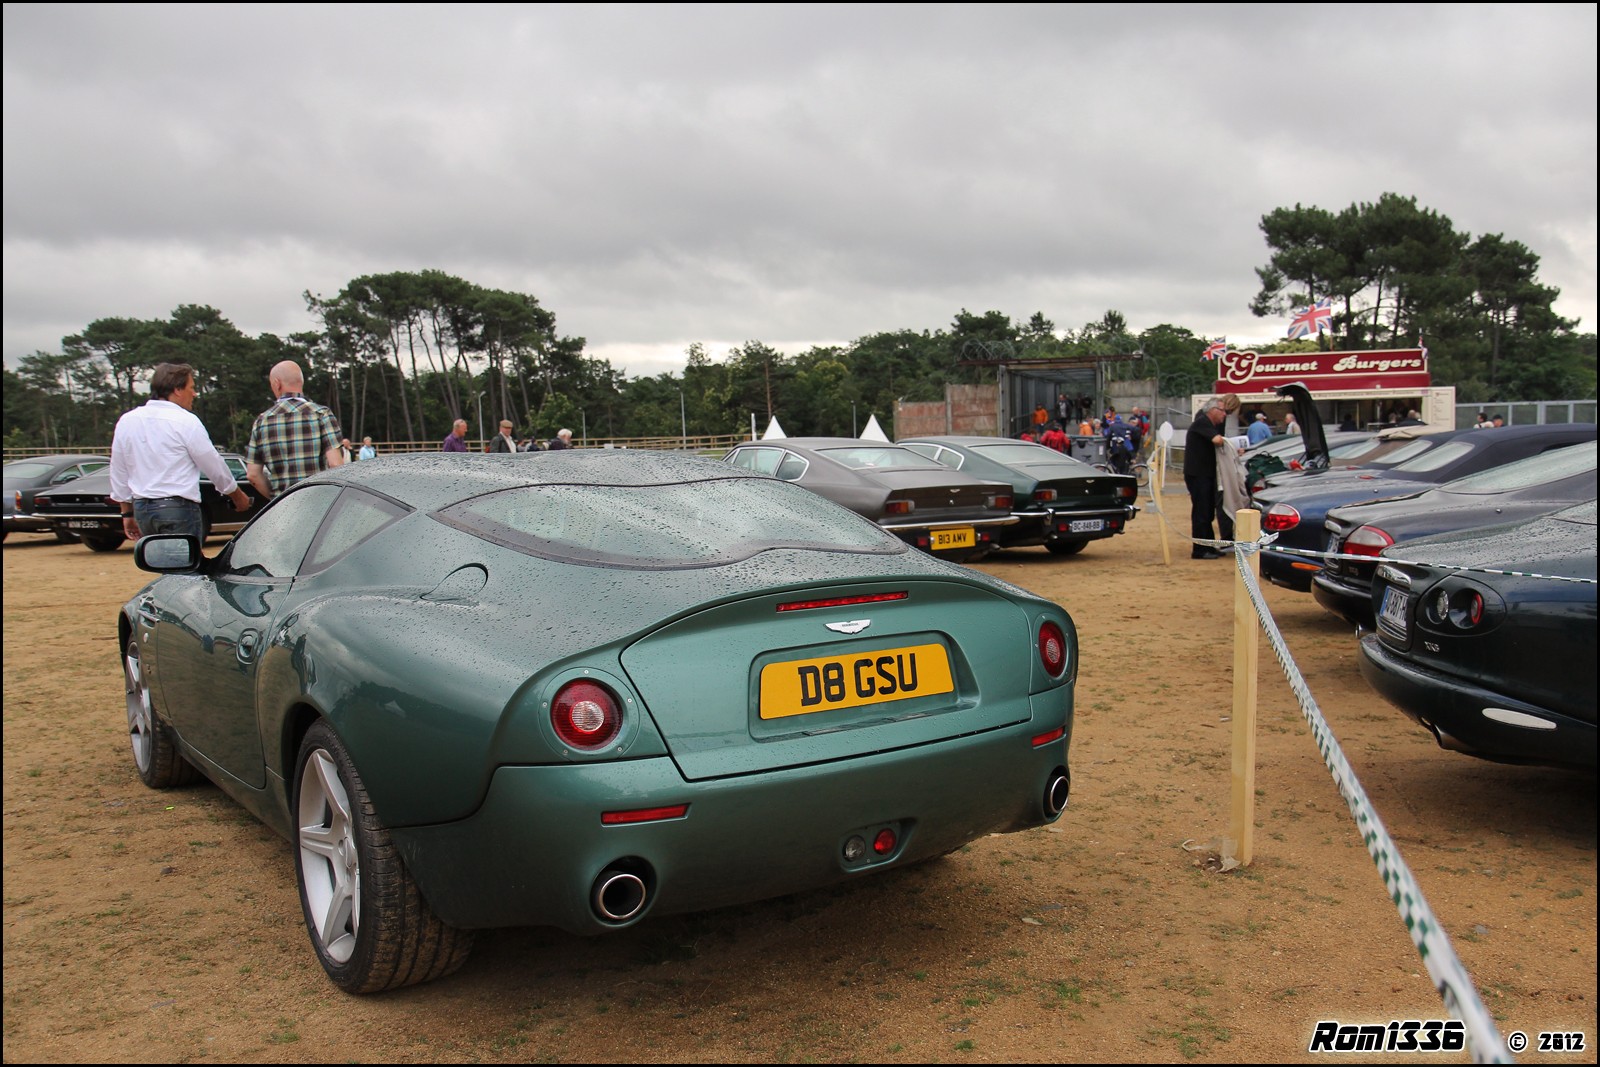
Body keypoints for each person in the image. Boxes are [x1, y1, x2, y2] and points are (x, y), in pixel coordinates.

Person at [109, 362, 251, 542]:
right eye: (191, 388)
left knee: (160, 565)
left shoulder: (127, 421)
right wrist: (236, 495)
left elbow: (119, 470)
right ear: (177, 389)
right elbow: (212, 463)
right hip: (178, 509)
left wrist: (127, 513)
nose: (194, 394)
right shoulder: (185, 421)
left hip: (143, 509)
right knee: (187, 568)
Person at [245, 360, 345, 498]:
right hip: (319, 502)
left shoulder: (262, 421)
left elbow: (253, 475)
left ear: (276, 383)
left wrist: (277, 499)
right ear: (301, 382)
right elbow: (336, 464)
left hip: (283, 509)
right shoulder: (321, 414)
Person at [1184, 398, 1234, 560]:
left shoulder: (1209, 424)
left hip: (1206, 473)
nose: (1224, 415)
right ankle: (1199, 549)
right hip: (1198, 474)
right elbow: (1217, 440)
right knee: (1201, 512)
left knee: (1208, 511)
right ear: (1212, 410)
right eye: (1222, 411)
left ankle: (1209, 546)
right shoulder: (1202, 422)